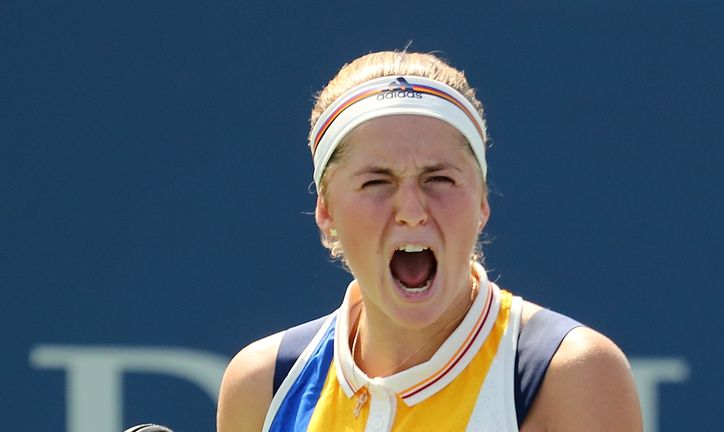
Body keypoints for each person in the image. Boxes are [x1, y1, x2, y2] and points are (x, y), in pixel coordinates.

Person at [217, 51, 643, 432]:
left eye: (439, 179)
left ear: (482, 201)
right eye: (376, 182)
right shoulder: (262, 385)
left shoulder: (571, 374)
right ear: (326, 210)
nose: (413, 209)